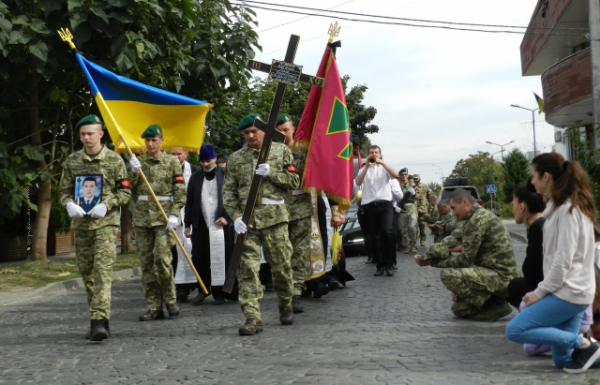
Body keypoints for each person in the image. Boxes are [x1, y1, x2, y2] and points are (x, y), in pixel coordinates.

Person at [506, 153, 600, 373]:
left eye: (534, 176)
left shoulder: (567, 211)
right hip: (575, 291)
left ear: (546, 177)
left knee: (515, 330)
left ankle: (586, 344)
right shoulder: (564, 209)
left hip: (570, 293)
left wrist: (539, 292)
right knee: (562, 360)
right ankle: (590, 350)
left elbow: (563, 260)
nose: (532, 181)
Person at [222, 113, 300, 336]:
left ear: (264, 131)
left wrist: (273, 173)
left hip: (275, 217)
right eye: (246, 133)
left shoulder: (280, 150)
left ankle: (285, 304)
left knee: (282, 266)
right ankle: (252, 316)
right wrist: (235, 216)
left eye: (254, 131)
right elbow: (228, 192)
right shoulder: (236, 158)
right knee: (247, 269)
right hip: (248, 220)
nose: (250, 135)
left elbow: (294, 181)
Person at [59, 114, 131, 341]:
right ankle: (99, 317)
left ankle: (98, 320)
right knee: (87, 273)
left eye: (90, 134)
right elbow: (63, 191)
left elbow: (125, 191)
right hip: (81, 225)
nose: (86, 138)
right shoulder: (72, 161)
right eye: (83, 135)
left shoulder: (114, 160)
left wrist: (108, 204)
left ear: (100, 134)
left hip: (105, 224)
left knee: (102, 271)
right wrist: (68, 204)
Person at [414, 188, 519, 321]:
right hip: (490, 272)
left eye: (454, 208)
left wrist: (431, 262)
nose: (453, 213)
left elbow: (464, 260)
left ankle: (495, 304)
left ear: (464, 202)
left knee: (447, 274)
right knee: (458, 309)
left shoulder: (478, 220)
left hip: (502, 278)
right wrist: (430, 253)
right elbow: (453, 239)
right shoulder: (472, 218)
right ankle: (488, 300)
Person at [129, 124, 186, 321]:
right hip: (143, 217)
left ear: (162, 140)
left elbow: (180, 191)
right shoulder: (139, 161)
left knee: (162, 260)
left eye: (154, 140)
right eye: (147, 141)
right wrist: (134, 171)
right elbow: (130, 189)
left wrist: (175, 214)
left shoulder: (172, 162)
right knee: (146, 263)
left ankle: (170, 299)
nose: (151, 144)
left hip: (164, 218)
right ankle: (153, 306)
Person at [184, 144, 237, 305]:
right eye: (202, 161)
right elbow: (190, 201)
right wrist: (187, 224)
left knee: (223, 257)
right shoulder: (195, 178)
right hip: (201, 224)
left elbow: (232, 198)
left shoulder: (225, 175)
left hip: (222, 225)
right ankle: (203, 289)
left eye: (208, 160)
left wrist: (227, 217)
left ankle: (221, 291)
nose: (206, 164)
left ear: (214, 159)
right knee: (200, 258)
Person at [276, 113, 312, 313]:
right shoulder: (271, 152)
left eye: (285, 130)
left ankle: (295, 293)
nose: (282, 134)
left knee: (298, 253)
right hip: (278, 209)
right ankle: (285, 291)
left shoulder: (304, 150)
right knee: (282, 254)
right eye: (279, 131)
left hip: (301, 207)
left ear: (293, 130)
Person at [354, 145, 398, 277]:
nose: (374, 154)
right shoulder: (364, 169)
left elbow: (395, 175)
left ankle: (389, 264)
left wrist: (382, 162)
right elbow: (357, 182)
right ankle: (380, 265)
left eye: (376, 152)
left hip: (385, 204)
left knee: (387, 232)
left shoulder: (384, 167)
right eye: (371, 153)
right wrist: (366, 166)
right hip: (369, 205)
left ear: (380, 154)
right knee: (374, 236)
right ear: (367, 155)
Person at [506, 179, 546, 309]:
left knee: (514, 287)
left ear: (522, 207)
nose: (513, 209)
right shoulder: (539, 224)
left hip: (548, 288)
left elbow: (533, 274)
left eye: (513, 205)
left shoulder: (537, 228)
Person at [169, 146, 198, 301]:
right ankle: (179, 286)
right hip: (171, 217)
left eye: (178, 154)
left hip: (189, 216)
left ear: (185, 155)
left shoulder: (194, 171)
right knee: (175, 252)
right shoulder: (165, 169)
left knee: (190, 249)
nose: (175, 157)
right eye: (172, 154)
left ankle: (191, 284)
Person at [397, 168, 418, 254]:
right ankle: (407, 245)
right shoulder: (396, 185)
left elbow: (418, 198)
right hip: (401, 209)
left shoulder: (412, 185)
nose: (404, 176)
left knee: (412, 226)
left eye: (405, 174)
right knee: (403, 229)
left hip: (411, 209)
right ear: (399, 176)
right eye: (402, 175)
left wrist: (414, 194)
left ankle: (413, 244)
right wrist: (395, 206)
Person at [413, 174, 429, 247]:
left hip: (423, 209)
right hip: (414, 209)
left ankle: (423, 240)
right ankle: (414, 241)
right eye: (414, 179)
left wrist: (431, 207)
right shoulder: (411, 187)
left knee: (423, 226)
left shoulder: (425, 186)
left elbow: (429, 196)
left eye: (416, 179)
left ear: (419, 179)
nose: (415, 180)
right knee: (414, 226)